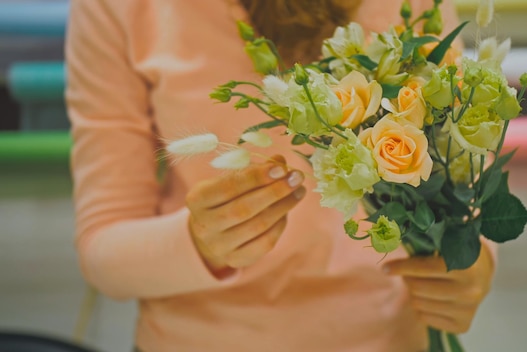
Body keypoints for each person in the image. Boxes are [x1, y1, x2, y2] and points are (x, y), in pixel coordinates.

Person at [65, 0, 496, 351]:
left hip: (389, 336)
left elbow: (461, 168)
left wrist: (469, 263)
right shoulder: (117, 9)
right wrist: (199, 243)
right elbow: (103, 249)